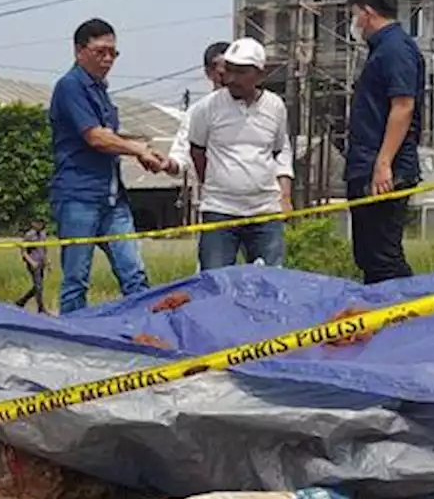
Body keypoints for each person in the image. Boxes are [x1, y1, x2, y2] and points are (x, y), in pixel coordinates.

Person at [49, 18, 159, 314]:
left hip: (112, 198)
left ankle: (143, 330)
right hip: (78, 195)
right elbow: (95, 137)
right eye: (100, 51)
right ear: (79, 51)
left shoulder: (100, 90)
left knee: (133, 272)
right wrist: (136, 149)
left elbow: (109, 136)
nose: (108, 59)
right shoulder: (70, 86)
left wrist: (141, 150)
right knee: (76, 279)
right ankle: (73, 339)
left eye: (113, 52)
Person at [184, 37, 294, 269]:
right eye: (229, 70)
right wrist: (217, 184)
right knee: (215, 283)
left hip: (264, 211)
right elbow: (197, 151)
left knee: (270, 283)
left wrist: (284, 196)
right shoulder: (207, 108)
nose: (232, 79)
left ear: (260, 74)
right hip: (220, 210)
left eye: (241, 72)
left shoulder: (275, 107)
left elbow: (278, 151)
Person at [344, 0, 425, 284]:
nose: (355, 22)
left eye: (354, 15)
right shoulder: (381, 50)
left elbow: (403, 106)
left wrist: (383, 163)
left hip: (384, 170)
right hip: (367, 164)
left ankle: (408, 318)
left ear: (367, 12)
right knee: (369, 255)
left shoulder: (395, 50)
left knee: (384, 258)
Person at [164, 41, 230, 180]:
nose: (229, 77)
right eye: (222, 72)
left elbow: (280, 156)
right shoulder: (199, 112)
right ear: (209, 73)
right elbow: (181, 157)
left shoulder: (264, 106)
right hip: (217, 196)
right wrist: (168, 164)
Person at [14, 218, 49, 313]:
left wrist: (47, 261)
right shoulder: (29, 235)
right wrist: (31, 262)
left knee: (39, 286)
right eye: (38, 223)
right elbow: (23, 251)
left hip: (41, 262)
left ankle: (21, 301)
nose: (40, 225)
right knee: (38, 286)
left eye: (42, 223)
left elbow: (44, 249)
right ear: (33, 224)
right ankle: (41, 308)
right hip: (33, 263)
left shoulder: (43, 234)